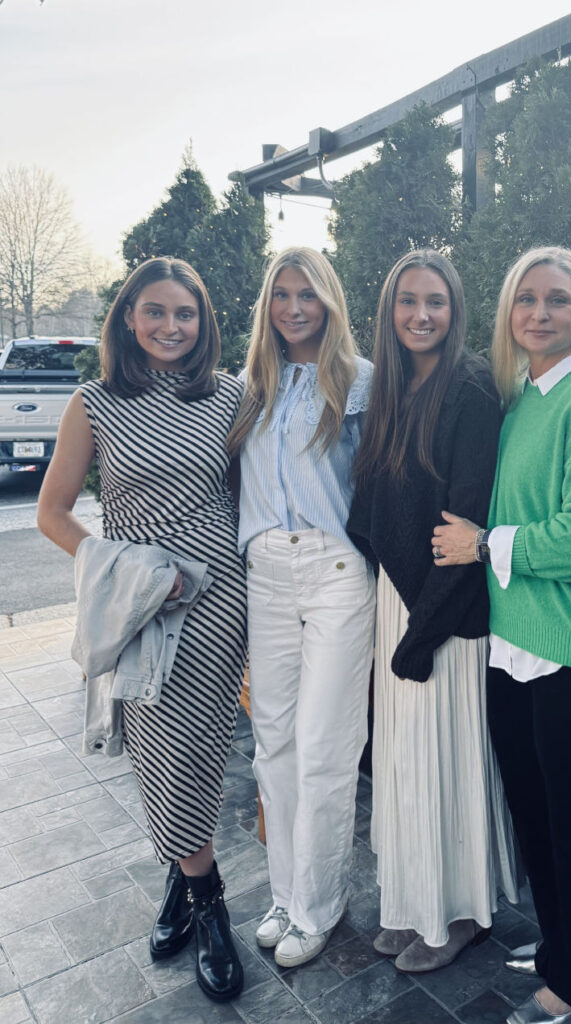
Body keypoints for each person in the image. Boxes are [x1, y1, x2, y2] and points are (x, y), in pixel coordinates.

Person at [37, 257, 248, 1002]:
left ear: (203, 322)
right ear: (128, 318)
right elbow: (52, 513)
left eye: (184, 314)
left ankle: (195, 892)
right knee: (161, 754)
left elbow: (248, 495)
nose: (170, 326)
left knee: (199, 751)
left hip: (217, 603)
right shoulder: (93, 403)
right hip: (139, 607)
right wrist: (132, 569)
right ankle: (202, 889)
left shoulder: (228, 395)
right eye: (154, 311)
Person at [433, 246, 571, 1024]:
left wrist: (484, 543)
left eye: (557, 299)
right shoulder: (520, 400)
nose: (540, 313)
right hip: (513, 645)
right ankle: (561, 949)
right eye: (526, 299)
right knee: (538, 818)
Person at [347, 249, 518, 974]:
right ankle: (413, 901)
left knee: (443, 765)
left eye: (436, 302)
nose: (421, 315)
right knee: (403, 764)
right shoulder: (394, 388)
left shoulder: (469, 389)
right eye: (408, 301)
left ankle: (458, 914)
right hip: (400, 599)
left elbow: (466, 524)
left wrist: (424, 632)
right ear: (390, 311)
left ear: (456, 310)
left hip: (447, 612)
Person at [225, 247, 375, 969]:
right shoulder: (247, 387)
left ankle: (318, 904)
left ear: (328, 301)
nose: (293, 307)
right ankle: (284, 895)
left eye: (307, 293)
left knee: (324, 745)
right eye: (281, 294)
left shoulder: (360, 380)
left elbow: (383, 482)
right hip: (266, 571)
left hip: (335, 570)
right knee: (273, 743)